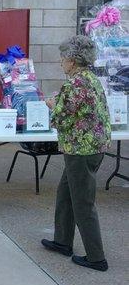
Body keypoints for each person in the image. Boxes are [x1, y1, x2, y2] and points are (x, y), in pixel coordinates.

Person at [42, 35, 110, 272]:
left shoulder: (75, 83)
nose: (61, 62)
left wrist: (52, 106)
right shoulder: (90, 79)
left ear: (72, 60)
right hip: (90, 147)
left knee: (82, 203)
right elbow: (85, 110)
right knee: (65, 194)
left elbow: (63, 119)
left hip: (81, 149)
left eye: (63, 58)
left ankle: (96, 257)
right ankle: (62, 241)